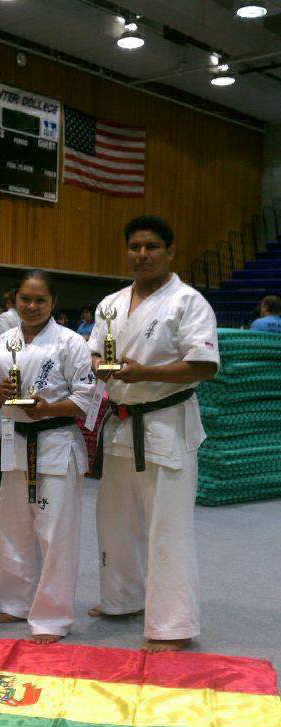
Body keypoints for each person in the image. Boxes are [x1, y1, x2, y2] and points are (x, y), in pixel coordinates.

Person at [88, 215, 219, 653]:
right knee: (115, 520)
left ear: (170, 251)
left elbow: (203, 365)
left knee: (168, 527)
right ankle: (122, 599)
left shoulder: (188, 302)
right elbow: (95, 354)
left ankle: (173, 624)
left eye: (151, 247)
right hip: (122, 423)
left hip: (166, 423)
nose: (141, 254)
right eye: (135, 246)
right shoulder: (110, 303)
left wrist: (143, 371)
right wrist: (96, 367)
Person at [0, 269, 95, 643]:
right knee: (11, 529)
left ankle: (52, 617)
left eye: (40, 300)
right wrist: (0, 392)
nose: (31, 306)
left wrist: (48, 408)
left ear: (53, 303)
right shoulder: (1, 344)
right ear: (14, 299)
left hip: (55, 443)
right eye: (24, 299)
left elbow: (85, 401)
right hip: (14, 442)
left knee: (55, 533)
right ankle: (15, 602)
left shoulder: (71, 342)